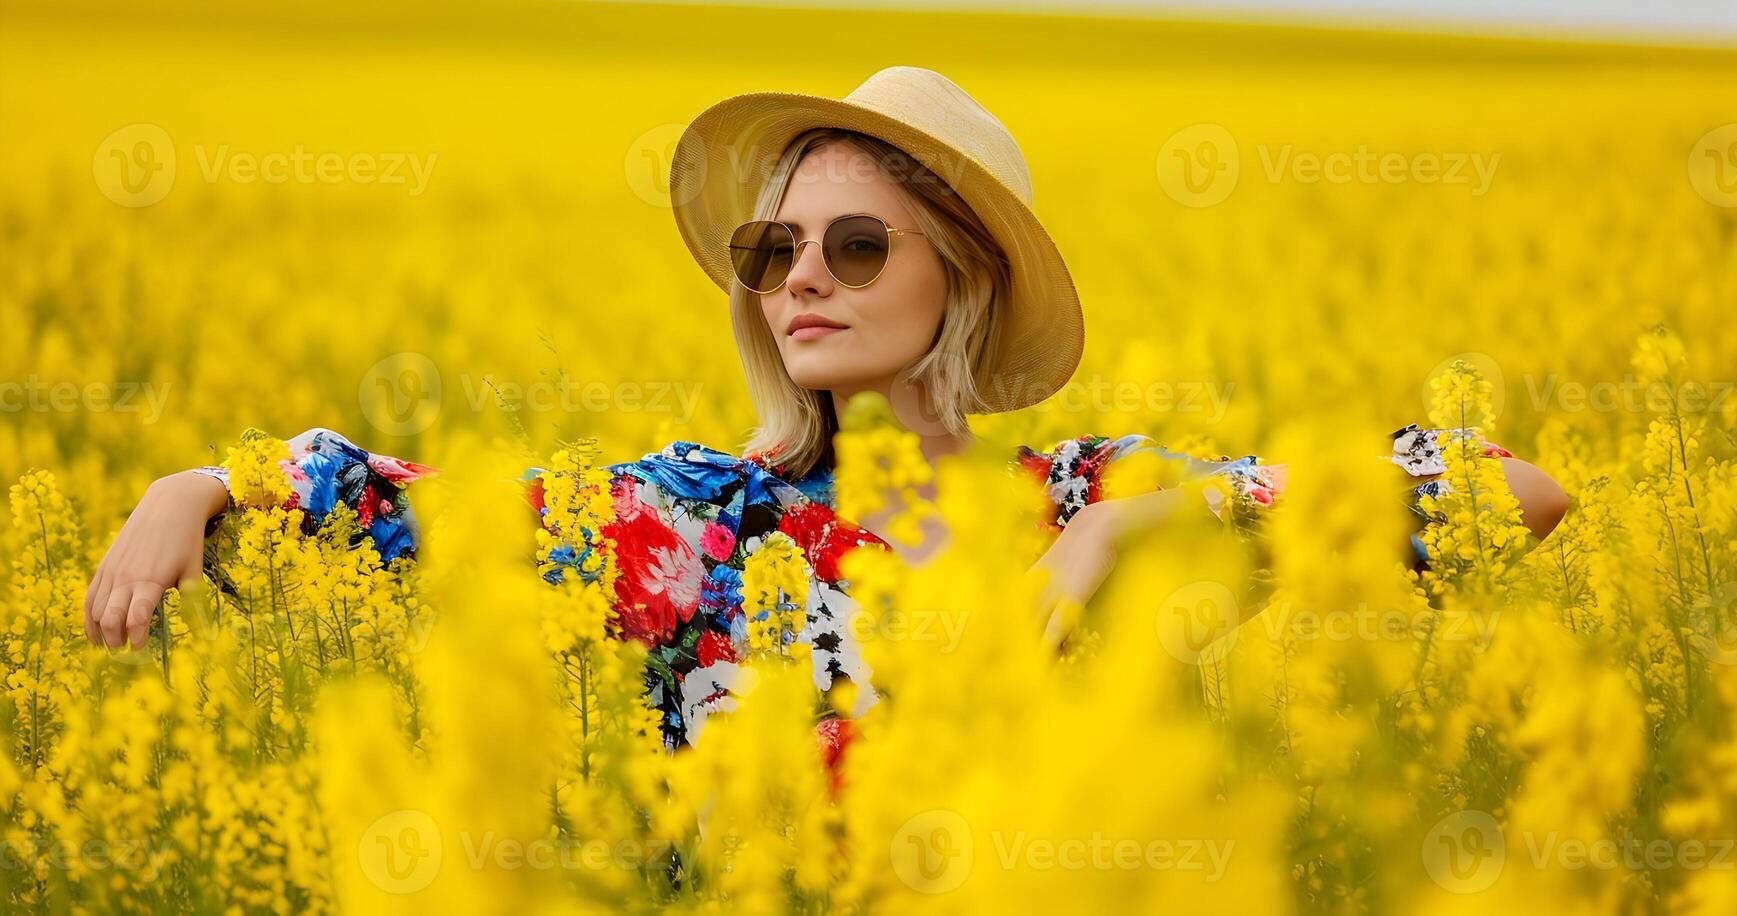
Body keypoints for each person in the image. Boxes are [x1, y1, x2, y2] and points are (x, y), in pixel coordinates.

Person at [81, 66, 1569, 751]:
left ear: (961, 278)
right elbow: (405, 506)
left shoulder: (1088, 498)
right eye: (771, 250)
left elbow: (1509, 491)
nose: (802, 279)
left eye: (857, 246)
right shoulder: (690, 522)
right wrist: (194, 489)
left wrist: (1140, 536)